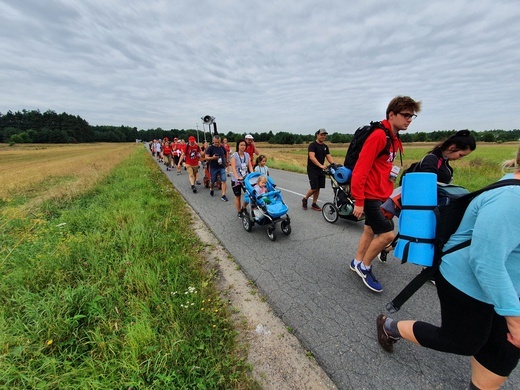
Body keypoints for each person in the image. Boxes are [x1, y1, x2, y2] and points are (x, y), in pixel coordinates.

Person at [377, 147, 520, 390]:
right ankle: (389, 326)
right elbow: (487, 262)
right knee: (462, 342)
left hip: (508, 290)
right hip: (466, 281)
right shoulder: (512, 199)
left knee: (501, 354)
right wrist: (515, 321)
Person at [349, 96, 422, 293]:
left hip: (382, 194)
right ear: (391, 114)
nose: (409, 120)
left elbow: (386, 167)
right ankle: (364, 267)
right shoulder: (379, 136)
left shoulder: (394, 138)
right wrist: (359, 200)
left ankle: (356, 261)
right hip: (370, 194)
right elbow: (361, 169)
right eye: (406, 115)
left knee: (370, 231)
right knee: (388, 234)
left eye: (412, 116)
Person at [378, 129, 477, 262]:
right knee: (423, 236)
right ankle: (427, 267)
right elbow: (426, 185)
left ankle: (387, 249)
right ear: (452, 147)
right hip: (424, 206)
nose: (460, 158)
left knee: (418, 236)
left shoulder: (444, 161)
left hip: (433, 205)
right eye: (461, 155)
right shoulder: (432, 159)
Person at [302, 128, 335, 212]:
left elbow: (328, 156)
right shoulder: (312, 145)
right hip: (312, 169)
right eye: (321, 135)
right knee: (314, 187)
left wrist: (334, 165)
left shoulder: (325, 146)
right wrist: (321, 165)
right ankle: (305, 199)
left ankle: (314, 203)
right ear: (317, 135)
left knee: (319, 187)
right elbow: (312, 157)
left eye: (324, 135)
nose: (323, 136)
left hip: (321, 170)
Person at [230, 139, 253, 217]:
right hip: (236, 180)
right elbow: (233, 168)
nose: (243, 147)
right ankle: (239, 211)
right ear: (238, 146)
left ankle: (244, 208)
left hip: (245, 178)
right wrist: (237, 177)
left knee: (249, 194)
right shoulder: (234, 156)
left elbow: (249, 165)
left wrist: (252, 174)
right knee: (238, 196)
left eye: (244, 145)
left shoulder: (247, 155)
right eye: (241, 145)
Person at [205, 135, 229, 201]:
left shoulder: (222, 147)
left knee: (223, 180)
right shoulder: (210, 148)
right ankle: (211, 188)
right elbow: (206, 157)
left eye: (218, 142)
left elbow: (226, 153)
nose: (217, 144)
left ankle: (223, 195)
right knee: (213, 180)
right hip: (214, 167)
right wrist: (213, 158)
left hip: (221, 167)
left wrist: (226, 161)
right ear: (213, 141)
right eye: (215, 142)